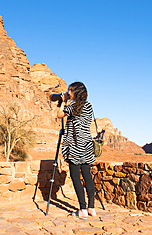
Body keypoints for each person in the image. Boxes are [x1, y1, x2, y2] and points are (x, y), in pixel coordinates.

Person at [57, 81, 96, 218]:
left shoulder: (73, 106)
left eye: (70, 90)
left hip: (74, 145)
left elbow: (59, 115)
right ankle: (91, 207)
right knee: (87, 175)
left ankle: (82, 210)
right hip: (86, 145)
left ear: (77, 92)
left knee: (75, 177)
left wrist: (63, 101)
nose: (68, 92)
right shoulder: (89, 106)